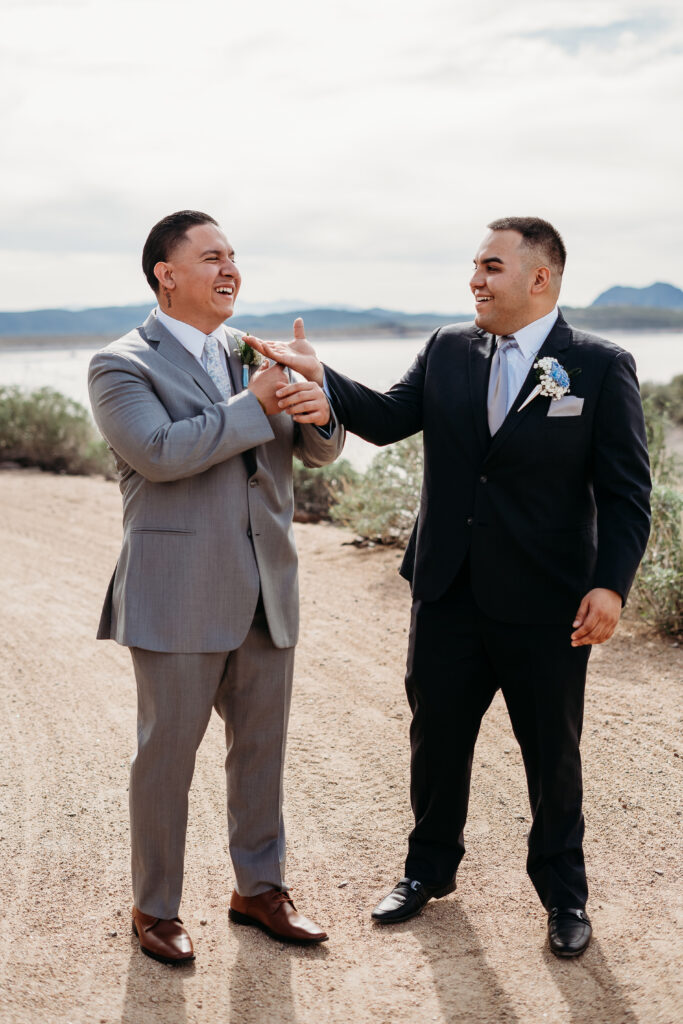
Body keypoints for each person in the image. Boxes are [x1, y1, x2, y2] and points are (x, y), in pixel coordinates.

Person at [245, 216, 651, 958]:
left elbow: (626, 494)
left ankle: (564, 895)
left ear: (540, 278)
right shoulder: (445, 350)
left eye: (491, 267)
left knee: (551, 753)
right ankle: (426, 871)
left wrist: (610, 588)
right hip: (447, 591)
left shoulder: (598, 365)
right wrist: (319, 376)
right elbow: (387, 418)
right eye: (473, 265)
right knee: (435, 740)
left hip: (547, 603)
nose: (474, 280)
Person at [88, 210, 344, 964]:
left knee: (261, 752)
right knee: (165, 758)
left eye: (233, 256)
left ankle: (259, 891)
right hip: (176, 590)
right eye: (210, 258)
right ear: (166, 274)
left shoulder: (254, 353)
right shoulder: (119, 363)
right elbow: (159, 453)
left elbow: (317, 449)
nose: (229, 269)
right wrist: (254, 404)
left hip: (268, 585)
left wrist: (319, 402)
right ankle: (155, 908)